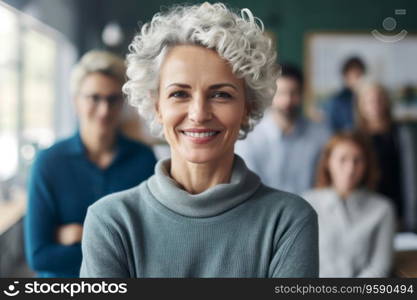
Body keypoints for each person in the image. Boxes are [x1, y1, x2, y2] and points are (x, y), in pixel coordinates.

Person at [80, 3, 319, 278]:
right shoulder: (112, 222)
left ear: (248, 108)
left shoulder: (289, 221)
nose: (199, 114)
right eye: (179, 94)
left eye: (221, 95)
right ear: (156, 105)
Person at [24, 50, 157, 277]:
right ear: (76, 101)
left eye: (112, 99)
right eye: (94, 98)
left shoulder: (144, 160)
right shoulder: (49, 163)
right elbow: (39, 256)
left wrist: (83, 234)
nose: (104, 110)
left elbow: (151, 246)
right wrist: (117, 243)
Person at [303, 132, 396, 277]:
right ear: (328, 162)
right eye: (342, 160)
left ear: (367, 165)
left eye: (357, 160)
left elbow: (379, 268)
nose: (350, 169)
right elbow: (299, 262)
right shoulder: (306, 203)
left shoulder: (383, 209)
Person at [235, 64, 330, 195]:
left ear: (302, 94)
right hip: (263, 211)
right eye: (281, 93)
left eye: (294, 93)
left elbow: (325, 182)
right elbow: (247, 188)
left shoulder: (321, 135)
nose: (288, 100)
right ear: (270, 94)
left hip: (311, 210)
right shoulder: (249, 137)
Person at [356, 80, 405, 226]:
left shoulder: (400, 134)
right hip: (365, 207)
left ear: (387, 102)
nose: (375, 105)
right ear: (361, 105)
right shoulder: (356, 136)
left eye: (379, 99)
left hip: (397, 205)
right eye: (369, 101)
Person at [326, 56, 366, 132]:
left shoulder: (366, 99)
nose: (360, 80)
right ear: (345, 77)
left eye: (362, 75)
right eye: (357, 75)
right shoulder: (336, 102)